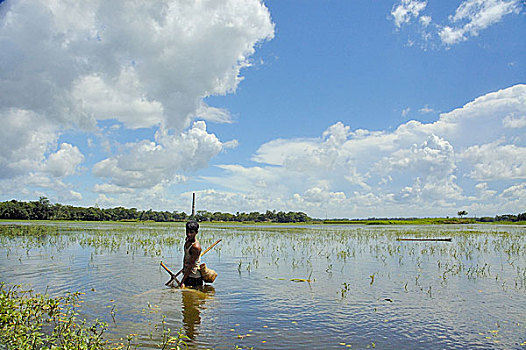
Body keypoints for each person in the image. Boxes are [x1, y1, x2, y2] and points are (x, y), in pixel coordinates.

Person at [180, 221, 203, 287]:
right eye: (187, 232)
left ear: (196, 232)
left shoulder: (196, 247)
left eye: (191, 232)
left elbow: (191, 266)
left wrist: (182, 281)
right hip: (187, 274)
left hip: (194, 278)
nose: (188, 234)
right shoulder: (188, 240)